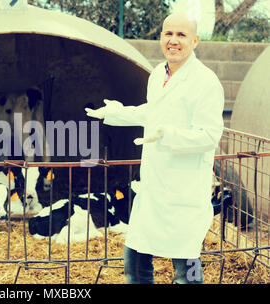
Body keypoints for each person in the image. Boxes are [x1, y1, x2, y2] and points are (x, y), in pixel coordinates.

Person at [85, 11, 224, 284]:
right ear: (161, 37)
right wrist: (116, 113)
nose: (173, 40)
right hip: (153, 188)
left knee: (187, 268)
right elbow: (153, 111)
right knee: (134, 263)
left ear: (195, 41)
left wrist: (168, 135)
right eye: (168, 34)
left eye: (181, 35)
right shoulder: (158, 73)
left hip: (184, 191)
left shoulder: (205, 82)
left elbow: (209, 136)